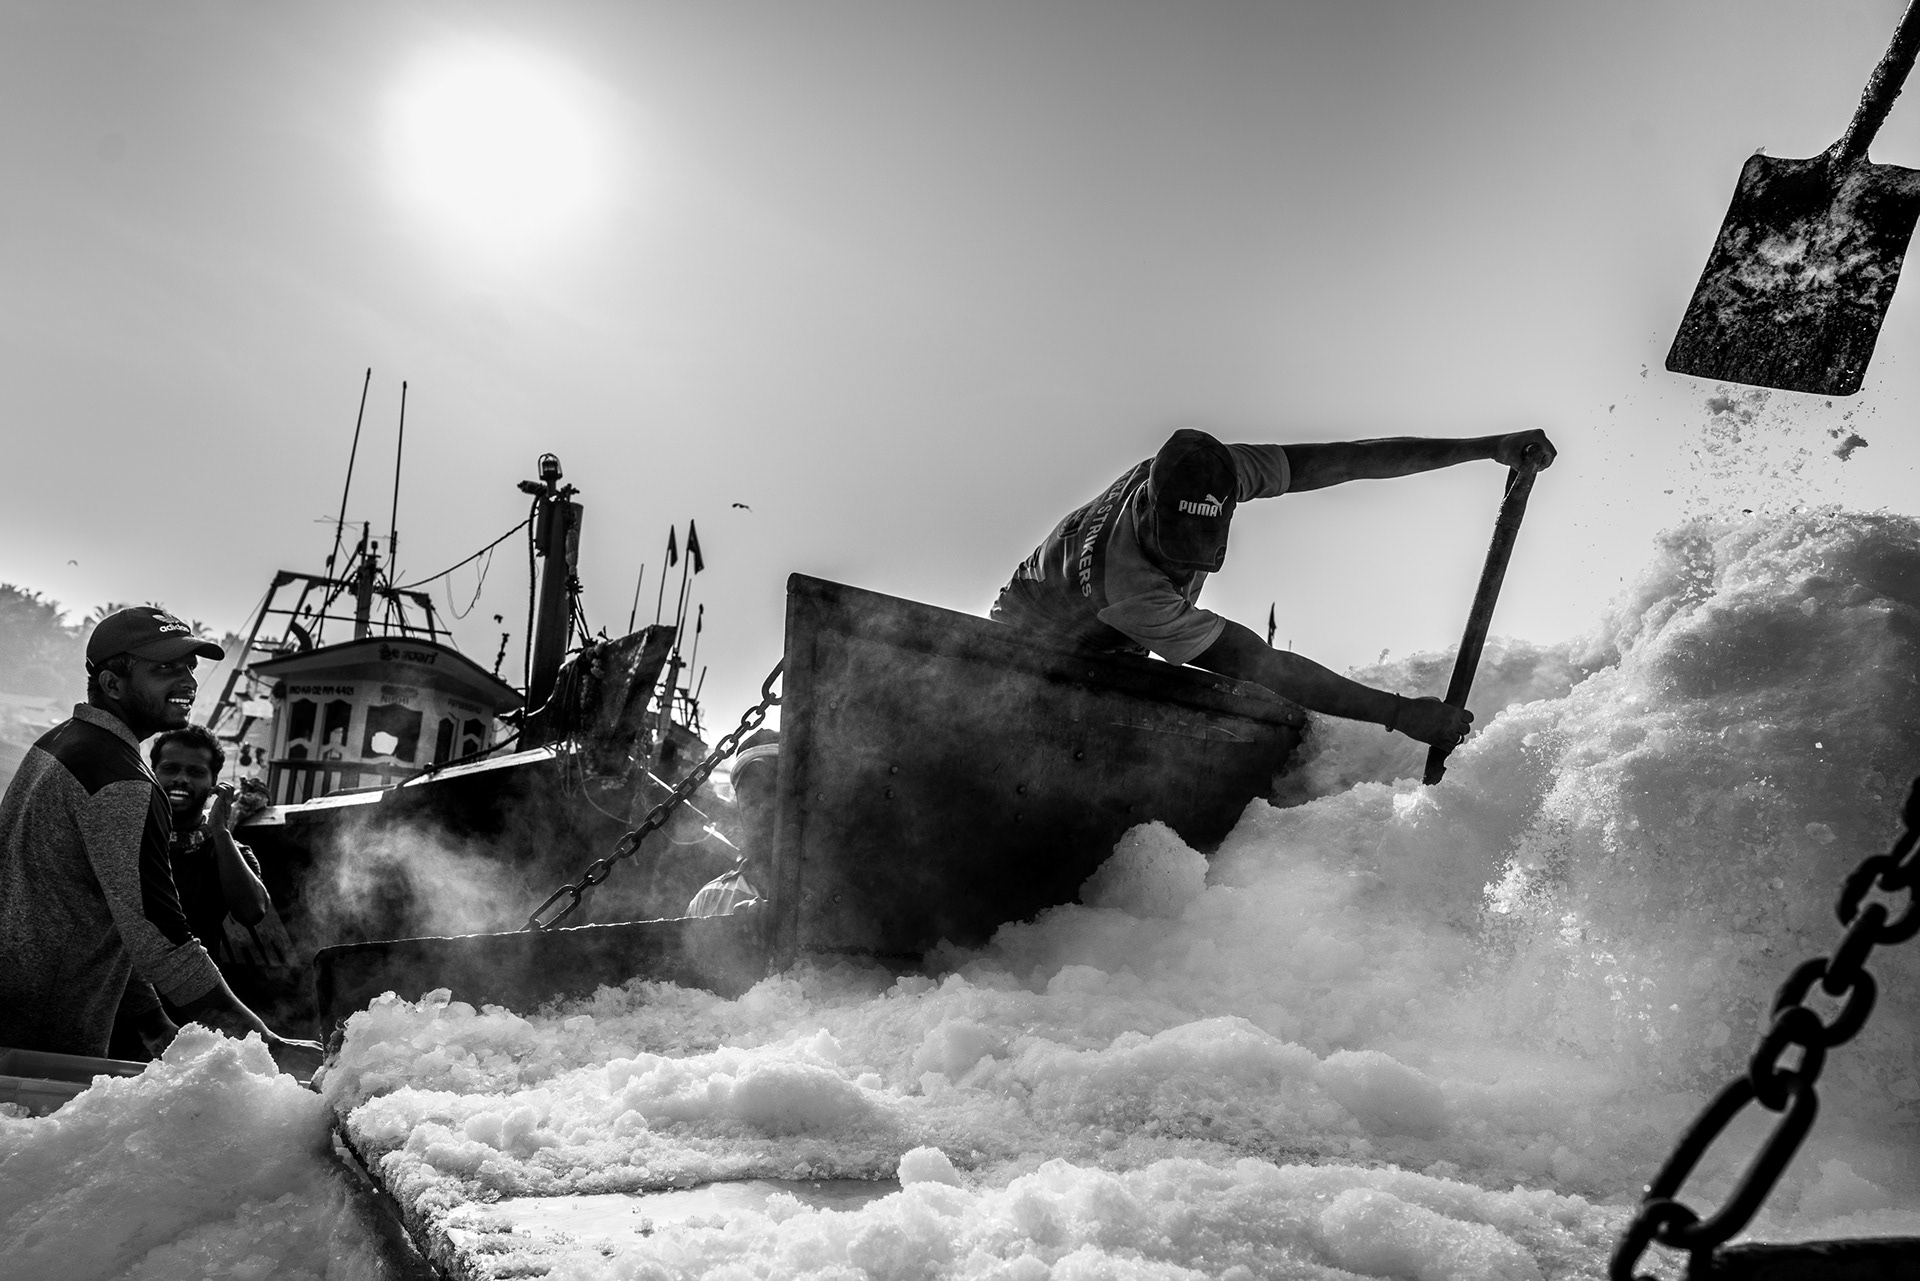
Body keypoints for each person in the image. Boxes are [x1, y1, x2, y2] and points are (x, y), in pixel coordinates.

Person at [992, 427, 1557, 746]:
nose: (1184, 573)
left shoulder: (1213, 468)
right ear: (1146, 519)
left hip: (1114, 633)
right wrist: (1400, 713)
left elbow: (1349, 461)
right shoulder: (1131, 589)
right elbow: (1259, 664)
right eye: (1172, 558)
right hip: (1025, 643)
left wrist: (1487, 447)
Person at [0, 606, 323, 1075]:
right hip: (39, 1039)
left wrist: (153, 1023)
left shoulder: (57, 742)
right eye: (165, 668)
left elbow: (109, 917)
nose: (188, 681)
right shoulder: (122, 783)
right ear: (112, 684)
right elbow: (162, 939)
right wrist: (268, 1046)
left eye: (190, 666)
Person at [149, 725, 273, 967]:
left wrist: (220, 829)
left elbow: (251, 912)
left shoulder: (227, 851)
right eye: (170, 769)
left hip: (194, 996)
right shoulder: (127, 840)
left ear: (213, 782)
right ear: (152, 773)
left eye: (195, 772)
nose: (181, 779)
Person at [687, 735, 778, 918]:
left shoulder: (836, 895)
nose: (763, 810)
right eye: (751, 800)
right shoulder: (709, 899)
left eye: (773, 793)